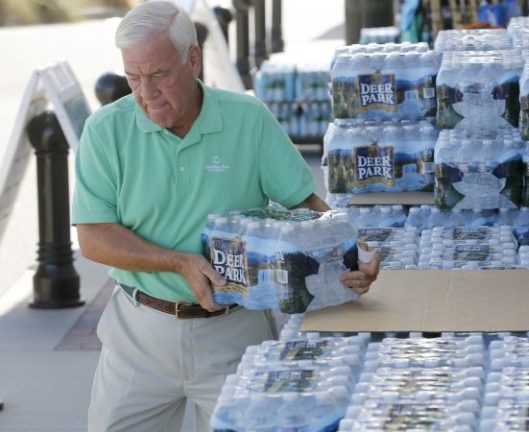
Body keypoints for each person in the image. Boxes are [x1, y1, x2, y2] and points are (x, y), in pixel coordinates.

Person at [71, 2, 380, 431]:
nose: (145, 92)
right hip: (138, 338)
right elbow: (94, 237)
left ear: (193, 59)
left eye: (159, 74)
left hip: (236, 334)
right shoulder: (105, 131)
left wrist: (355, 252)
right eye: (133, 77)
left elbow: (306, 205)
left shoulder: (248, 118)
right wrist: (179, 262)